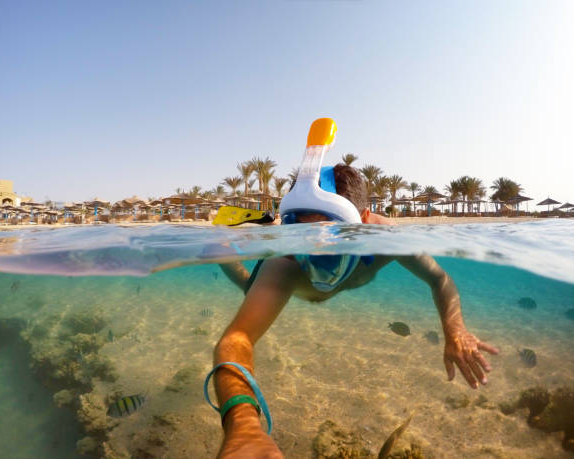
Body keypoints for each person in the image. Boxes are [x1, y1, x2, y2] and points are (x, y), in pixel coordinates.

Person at [205, 119, 498, 458]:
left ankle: (263, 221)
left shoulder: (385, 240)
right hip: (286, 279)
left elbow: (440, 279)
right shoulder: (284, 260)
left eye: (333, 234)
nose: (314, 249)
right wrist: (243, 426)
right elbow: (236, 339)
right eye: (300, 232)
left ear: (364, 218)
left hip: (310, 274)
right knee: (247, 284)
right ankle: (253, 229)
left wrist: (455, 328)